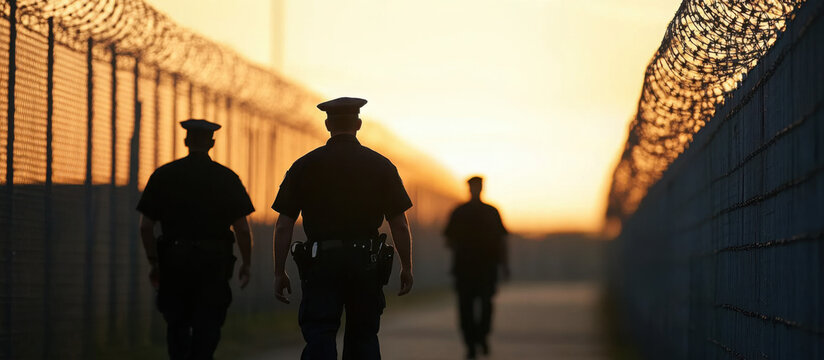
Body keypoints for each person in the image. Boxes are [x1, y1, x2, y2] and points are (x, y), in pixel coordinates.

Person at [271, 97, 414, 360]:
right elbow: (400, 225)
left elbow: (283, 226)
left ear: (327, 125)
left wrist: (279, 271)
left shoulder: (304, 166)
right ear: (358, 124)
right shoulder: (380, 165)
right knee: (363, 336)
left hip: (321, 263)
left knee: (320, 333)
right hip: (365, 264)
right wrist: (407, 266)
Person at [137, 119, 254, 360]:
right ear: (212, 143)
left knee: (177, 323)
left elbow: (146, 226)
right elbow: (242, 229)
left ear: (186, 141)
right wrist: (246, 263)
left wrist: (154, 262)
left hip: (174, 261)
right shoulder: (227, 178)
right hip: (213, 263)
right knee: (208, 323)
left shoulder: (164, 176)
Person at [444, 176, 509, 359]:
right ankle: (478, 339)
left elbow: (449, 240)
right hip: (482, 267)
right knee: (480, 306)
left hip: (470, 267)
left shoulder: (460, 212)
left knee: (471, 307)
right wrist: (504, 264)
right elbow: (501, 240)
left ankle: (475, 340)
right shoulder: (490, 212)